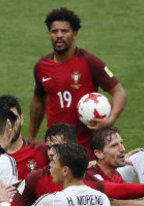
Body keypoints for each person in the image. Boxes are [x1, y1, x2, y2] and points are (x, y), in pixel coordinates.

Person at [28, 7, 127, 155]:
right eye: (55, 32)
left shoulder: (89, 62)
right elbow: (38, 101)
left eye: (64, 31)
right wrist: (31, 139)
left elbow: (119, 92)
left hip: (86, 147)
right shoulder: (41, 67)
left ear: (74, 34)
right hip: (56, 148)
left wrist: (110, 120)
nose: (59, 36)